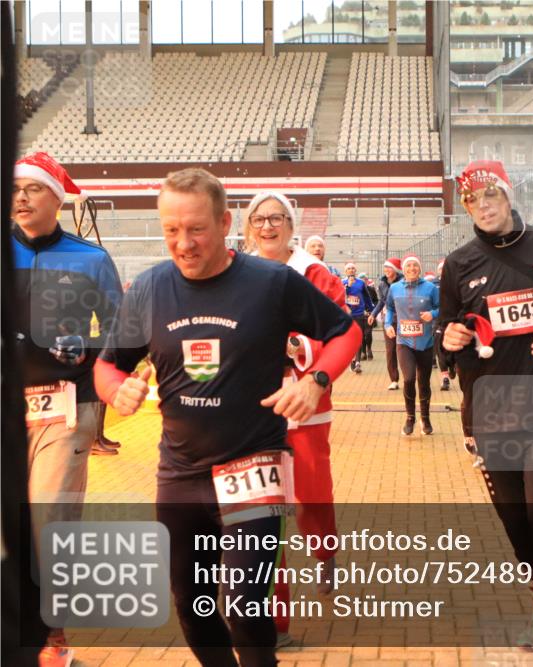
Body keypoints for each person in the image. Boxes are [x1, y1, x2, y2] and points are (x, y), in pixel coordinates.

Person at [95, 168, 361, 667]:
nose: (184, 243)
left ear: (224, 223)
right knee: (191, 608)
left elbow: (347, 333)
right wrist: (116, 389)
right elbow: (108, 363)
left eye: (196, 229)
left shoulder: (273, 282)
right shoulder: (150, 287)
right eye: (171, 230)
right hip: (180, 475)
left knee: (244, 604)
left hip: (252, 467)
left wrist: (316, 380)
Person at [440, 160, 533, 659]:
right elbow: (447, 336)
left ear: (507, 195)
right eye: (471, 200)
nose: (482, 206)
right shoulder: (458, 263)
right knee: (514, 521)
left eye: (490, 195)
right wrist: (453, 337)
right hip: (488, 409)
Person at [11, 152, 124, 667]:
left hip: (65, 407)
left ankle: (52, 641)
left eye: (31, 188)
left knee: (48, 518)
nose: (20, 197)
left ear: (56, 197)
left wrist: (91, 352)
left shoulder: (91, 259)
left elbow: (125, 332)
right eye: (13, 188)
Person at [241, 191, 345, 644]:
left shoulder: (313, 273)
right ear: (247, 226)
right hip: (250, 410)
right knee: (264, 513)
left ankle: (325, 552)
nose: (268, 226)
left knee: (310, 502)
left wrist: (294, 347)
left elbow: (337, 328)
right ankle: (273, 621)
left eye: (277, 218)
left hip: (304, 408)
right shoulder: (234, 271)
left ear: (291, 223)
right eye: (259, 219)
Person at [384, 255, 439, 436]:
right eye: (409, 266)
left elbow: (442, 307)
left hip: (425, 342)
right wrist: (387, 324)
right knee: (408, 379)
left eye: (416, 265)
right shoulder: (394, 288)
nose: (412, 268)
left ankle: (425, 417)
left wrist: (432, 313)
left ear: (420, 269)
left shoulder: (430, 288)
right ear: (404, 269)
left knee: (424, 382)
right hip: (403, 341)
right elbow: (390, 308)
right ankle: (410, 418)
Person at [369, 257, 403, 390]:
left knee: (405, 349)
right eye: (385, 267)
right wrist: (373, 314)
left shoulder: (403, 281)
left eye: (389, 267)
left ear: (395, 269)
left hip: (404, 320)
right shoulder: (382, 283)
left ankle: (412, 376)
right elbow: (382, 301)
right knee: (390, 351)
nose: (386, 270)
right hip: (388, 322)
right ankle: (394, 380)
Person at [342, 262, 374, 373]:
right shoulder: (342, 282)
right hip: (346, 315)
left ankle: (357, 362)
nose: (351, 270)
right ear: (345, 272)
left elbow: (367, 297)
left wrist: (371, 310)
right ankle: (352, 359)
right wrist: (348, 286)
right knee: (349, 339)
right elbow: (340, 295)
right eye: (349, 269)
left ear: (355, 271)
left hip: (359, 314)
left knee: (358, 338)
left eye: (353, 268)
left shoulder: (361, 283)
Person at [430, 260, 455, 391]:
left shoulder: (457, 281)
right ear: (439, 271)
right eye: (442, 268)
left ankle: (452, 365)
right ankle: (445, 378)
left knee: (453, 350)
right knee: (440, 351)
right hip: (438, 322)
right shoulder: (433, 285)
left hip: (454, 320)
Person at [359, 273, 377, 359]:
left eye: (364, 280)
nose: (363, 282)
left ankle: (369, 348)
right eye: (361, 280)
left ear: (366, 281)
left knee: (368, 333)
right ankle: (363, 352)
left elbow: (376, 301)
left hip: (370, 315)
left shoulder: (371, 290)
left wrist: (373, 311)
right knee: (361, 334)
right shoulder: (356, 291)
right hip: (359, 314)